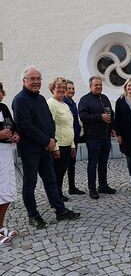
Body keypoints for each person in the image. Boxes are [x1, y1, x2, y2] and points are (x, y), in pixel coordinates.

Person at [12, 66, 80, 229]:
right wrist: (46, 141)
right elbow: (25, 126)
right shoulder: (19, 100)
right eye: (32, 79)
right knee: (30, 183)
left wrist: (51, 140)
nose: (36, 82)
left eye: (38, 79)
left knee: (51, 180)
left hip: (45, 148)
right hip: (30, 150)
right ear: (24, 81)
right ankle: (33, 215)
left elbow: (50, 122)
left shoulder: (41, 99)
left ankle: (60, 210)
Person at [78, 76, 116, 199]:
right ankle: (92, 188)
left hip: (105, 137)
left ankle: (103, 185)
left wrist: (112, 128)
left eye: (100, 85)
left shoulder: (104, 98)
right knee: (93, 163)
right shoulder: (85, 100)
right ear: (90, 86)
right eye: (96, 85)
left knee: (103, 163)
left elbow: (111, 114)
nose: (99, 87)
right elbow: (83, 116)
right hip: (93, 137)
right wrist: (100, 117)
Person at [47, 77, 77, 201]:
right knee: (56, 173)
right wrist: (55, 147)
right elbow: (50, 126)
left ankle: (58, 193)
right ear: (53, 88)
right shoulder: (51, 104)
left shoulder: (64, 104)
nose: (61, 90)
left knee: (61, 172)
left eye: (63, 88)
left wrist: (73, 145)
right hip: (59, 144)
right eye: (58, 87)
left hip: (67, 144)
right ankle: (55, 196)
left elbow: (70, 125)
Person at [0, 82, 20, 247]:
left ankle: (0, 227)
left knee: (6, 191)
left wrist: (16, 135)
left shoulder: (4, 108)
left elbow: (13, 127)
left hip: (5, 154)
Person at [63, 80, 85, 195]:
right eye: (69, 88)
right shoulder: (64, 103)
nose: (71, 90)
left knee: (72, 163)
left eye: (73, 88)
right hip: (66, 138)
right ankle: (58, 192)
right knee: (63, 166)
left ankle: (72, 187)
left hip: (74, 137)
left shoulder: (72, 102)